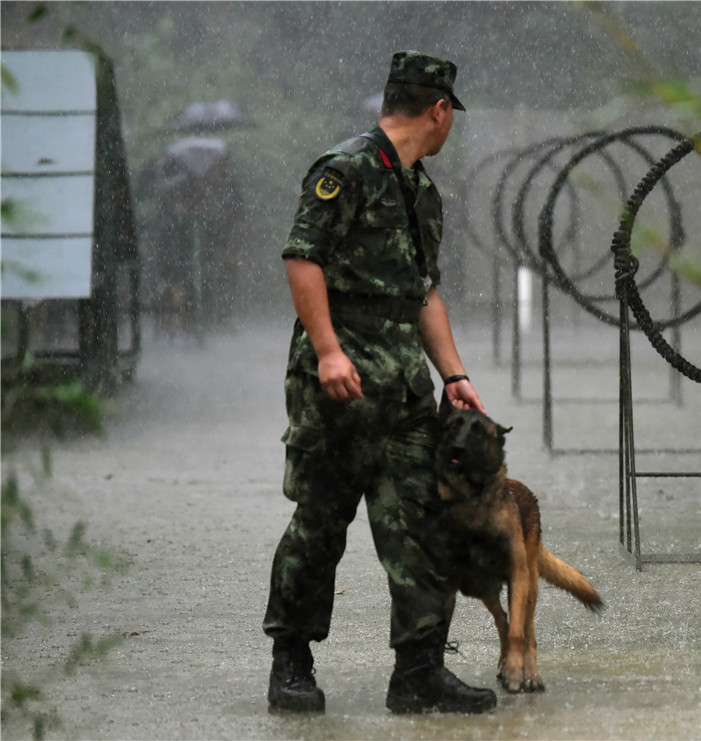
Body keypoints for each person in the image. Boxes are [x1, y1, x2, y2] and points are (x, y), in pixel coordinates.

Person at [262, 50, 496, 715]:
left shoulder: (419, 189)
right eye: (451, 115)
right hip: (339, 387)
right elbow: (302, 257)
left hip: (403, 391)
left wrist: (454, 374)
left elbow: (424, 292)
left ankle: (418, 671)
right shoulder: (345, 171)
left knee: (421, 522)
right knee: (321, 521)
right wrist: (330, 350)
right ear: (439, 110)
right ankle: (292, 661)